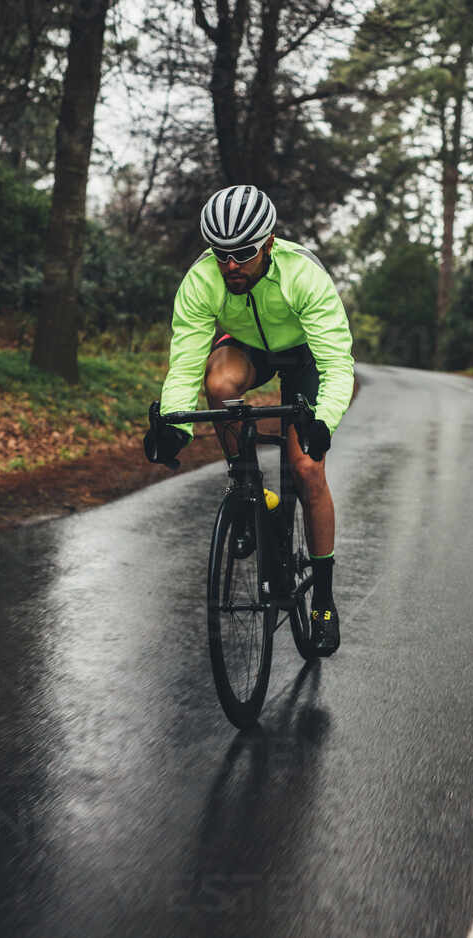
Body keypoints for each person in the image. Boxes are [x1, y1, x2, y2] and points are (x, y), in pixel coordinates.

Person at [144, 184, 354, 655]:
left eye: (243, 253)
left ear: (269, 242)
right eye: (221, 254)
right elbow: (185, 361)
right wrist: (175, 426)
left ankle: (322, 598)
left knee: (306, 469)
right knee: (218, 385)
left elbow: (337, 362)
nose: (231, 265)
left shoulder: (302, 275)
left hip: (305, 356)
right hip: (248, 347)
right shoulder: (202, 280)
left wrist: (322, 420)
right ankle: (248, 487)